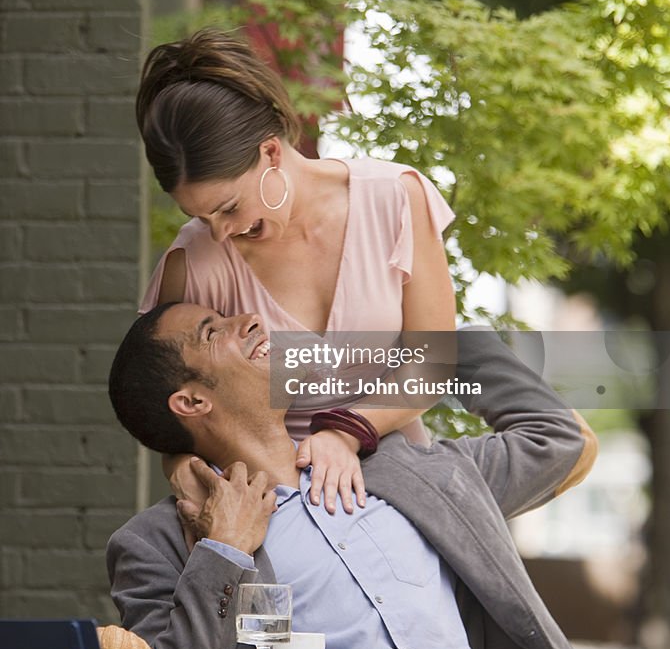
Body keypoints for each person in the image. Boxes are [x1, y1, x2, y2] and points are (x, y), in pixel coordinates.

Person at [107, 302, 600, 649]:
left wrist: (369, 411)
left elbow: (559, 438)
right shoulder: (158, 542)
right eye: (214, 331)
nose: (250, 320)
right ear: (190, 403)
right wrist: (224, 551)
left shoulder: (408, 473)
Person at [136, 28, 458, 513]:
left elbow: (434, 363)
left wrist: (347, 432)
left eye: (227, 208)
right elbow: (172, 410)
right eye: (200, 217)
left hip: (397, 487)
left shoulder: (394, 198)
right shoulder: (195, 261)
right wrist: (181, 466)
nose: (220, 233)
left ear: (269, 153)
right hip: (270, 510)